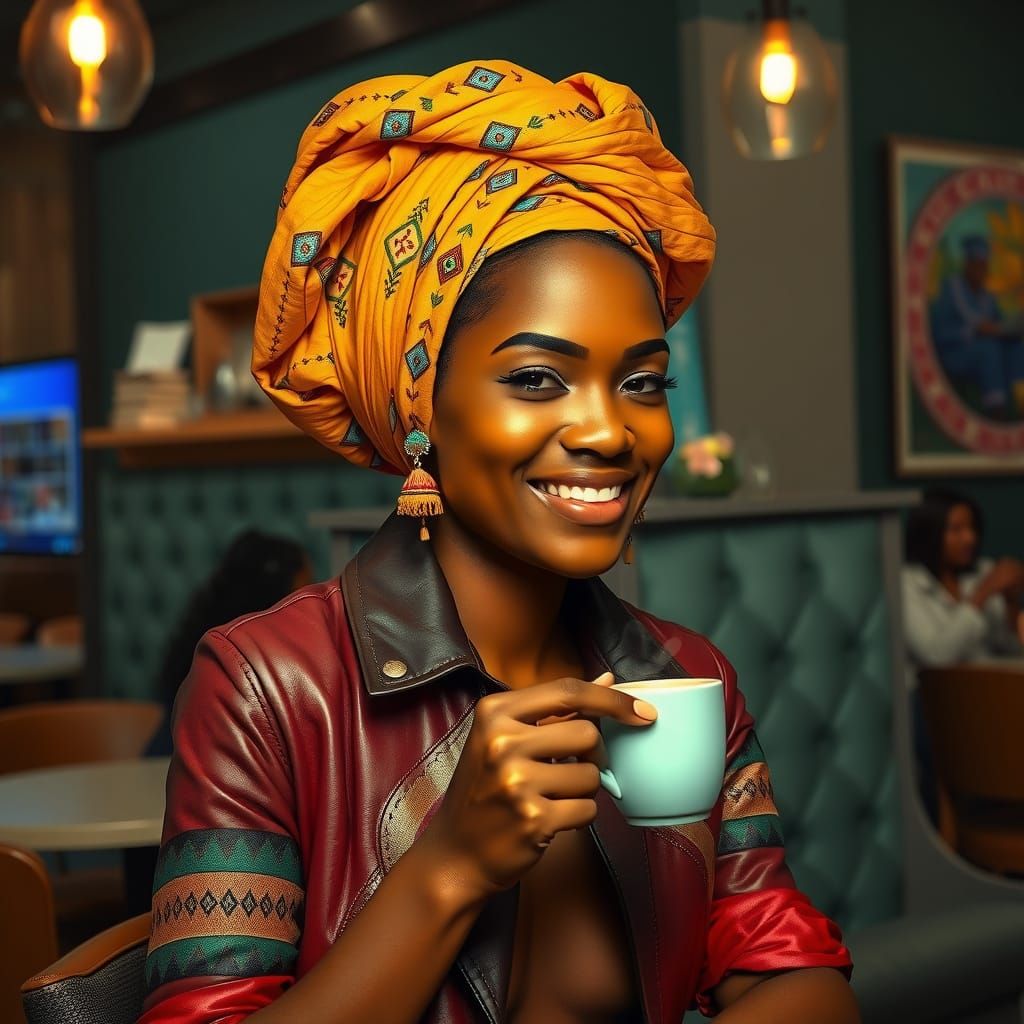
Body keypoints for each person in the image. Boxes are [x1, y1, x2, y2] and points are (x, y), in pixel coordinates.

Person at [138, 61, 856, 1023]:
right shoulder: (266, 688)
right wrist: (450, 868)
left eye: (642, 383)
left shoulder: (687, 680)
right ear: (422, 403)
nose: (611, 430)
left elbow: (792, 968)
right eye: (538, 379)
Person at [146, 529, 312, 758]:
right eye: (304, 587)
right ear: (275, 594)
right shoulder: (234, 658)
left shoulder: (205, 635)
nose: (310, 600)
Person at [902, 488, 1024, 670]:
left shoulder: (984, 570)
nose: (970, 538)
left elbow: (1013, 651)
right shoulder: (906, 582)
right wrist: (982, 594)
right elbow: (936, 658)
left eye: (972, 528)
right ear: (930, 532)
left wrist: (1011, 601)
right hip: (937, 691)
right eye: (956, 530)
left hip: (993, 684)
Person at [929, 235, 1024, 419]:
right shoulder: (949, 290)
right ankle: (996, 409)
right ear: (968, 265)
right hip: (954, 354)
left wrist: (1008, 329)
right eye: (977, 266)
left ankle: (1020, 402)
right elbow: (939, 333)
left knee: (1016, 348)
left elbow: (998, 324)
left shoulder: (987, 296)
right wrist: (973, 331)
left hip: (987, 350)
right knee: (988, 349)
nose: (982, 271)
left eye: (984, 266)